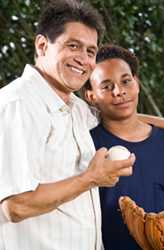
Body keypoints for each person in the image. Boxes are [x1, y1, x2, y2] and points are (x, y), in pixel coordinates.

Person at [0, 2, 138, 250]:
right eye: (73, 46)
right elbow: (15, 205)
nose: (83, 59)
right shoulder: (18, 104)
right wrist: (91, 178)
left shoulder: (75, 108)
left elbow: (118, 113)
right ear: (42, 46)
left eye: (90, 51)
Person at [84, 44, 164, 250]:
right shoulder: (86, 145)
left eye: (126, 81)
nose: (119, 92)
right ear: (91, 96)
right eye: (106, 86)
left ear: (136, 83)